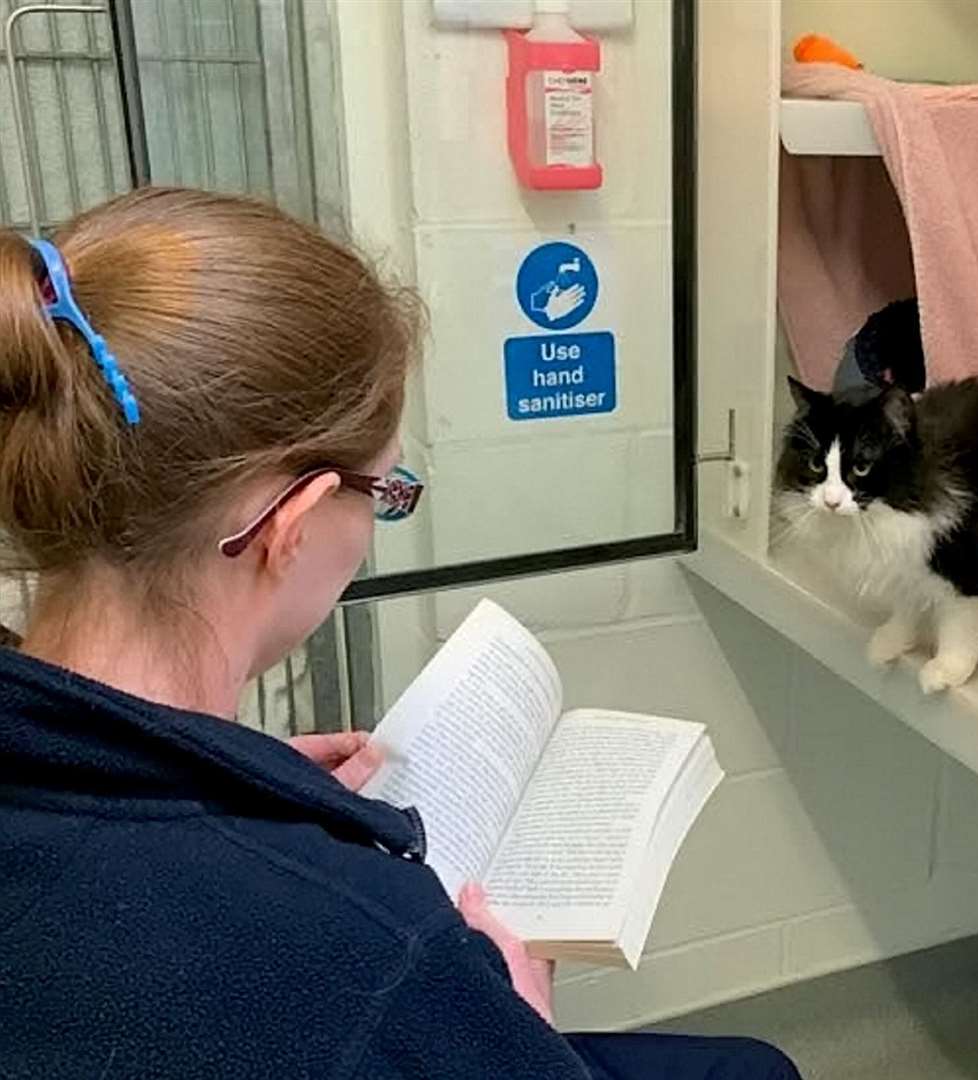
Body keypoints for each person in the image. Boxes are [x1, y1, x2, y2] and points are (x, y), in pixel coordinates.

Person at [0, 188, 800, 1080]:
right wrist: (522, 1031)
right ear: (290, 523)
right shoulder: (376, 949)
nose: (379, 519)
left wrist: (229, 789)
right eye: (384, 493)